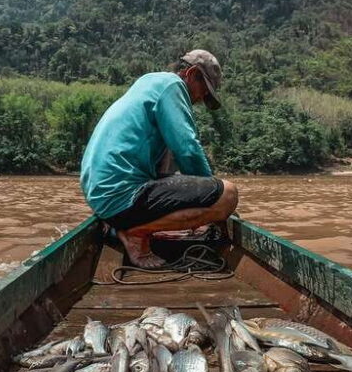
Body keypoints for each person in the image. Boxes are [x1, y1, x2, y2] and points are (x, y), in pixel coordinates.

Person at [80, 49, 239, 268]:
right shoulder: (172, 86)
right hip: (121, 194)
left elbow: (168, 161)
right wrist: (212, 197)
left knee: (173, 166)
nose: (202, 99)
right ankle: (135, 233)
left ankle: (128, 226)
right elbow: (188, 149)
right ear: (191, 74)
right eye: (205, 90)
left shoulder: (149, 82)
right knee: (228, 194)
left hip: (102, 197)